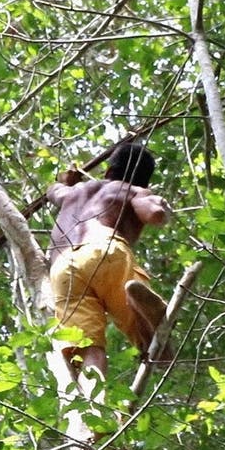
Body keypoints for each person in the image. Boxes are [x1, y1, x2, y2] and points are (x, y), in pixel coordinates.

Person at [47, 143, 171, 382]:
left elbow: (53, 191)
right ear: (144, 181)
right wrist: (160, 205)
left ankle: (96, 402)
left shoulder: (73, 192)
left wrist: (65, 181)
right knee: (157, 345)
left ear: (108, 171)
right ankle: (149, 323)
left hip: (62, 267)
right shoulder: (135, 191)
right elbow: (153, 215)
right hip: (103, 248)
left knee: (87, 345)